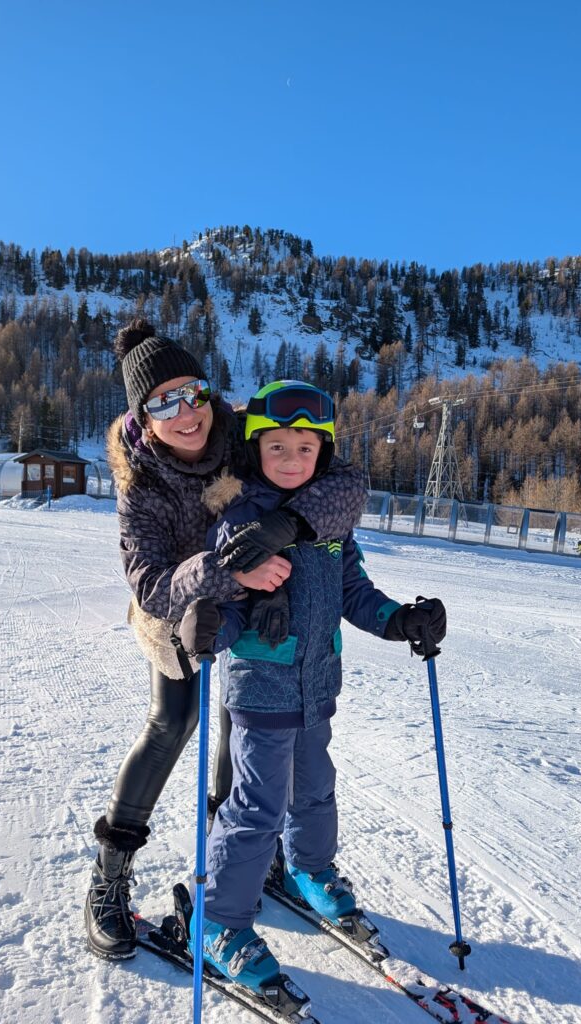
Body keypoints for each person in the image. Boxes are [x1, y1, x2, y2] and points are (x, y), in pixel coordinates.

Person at [84, 322, 368, 962]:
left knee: (242, 728)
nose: (186, 413)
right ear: (143, 417)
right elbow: (152, 584)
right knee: (174, 722)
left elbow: (344, 482)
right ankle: (109, 876)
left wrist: (285, 525)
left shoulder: (240, 431)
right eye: (164, 403)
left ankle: (233, 866)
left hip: (263, 598)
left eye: (193, 393)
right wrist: (231, 570)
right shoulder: (140, 484)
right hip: (180, 611)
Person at [177, 380, 447, 995]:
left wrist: (401, 621)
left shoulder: (329, 521)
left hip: (317, 686)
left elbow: (354, 592)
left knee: (316, 790)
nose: (292, 459)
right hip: (260, 690)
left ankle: (309, 869)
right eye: (277, 447)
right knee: (256, 809)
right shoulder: (240, 519)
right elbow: (228, 603)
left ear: (322, 452)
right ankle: (217, 923)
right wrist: (210, 626)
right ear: (255, 450)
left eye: (305, 447)